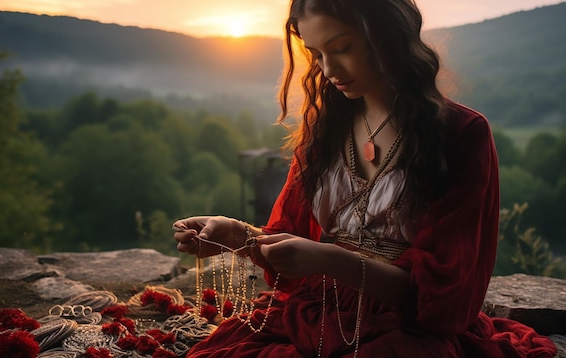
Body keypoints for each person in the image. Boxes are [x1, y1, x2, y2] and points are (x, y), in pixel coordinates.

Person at [172, 0, 558, 356]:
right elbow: (289, 242)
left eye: (342, 48)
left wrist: (330, 259)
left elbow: (445, 295)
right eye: (316, 53)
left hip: (406, 328)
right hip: (315, 312)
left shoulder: (461, 134)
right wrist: (235, 236)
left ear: (388, 35)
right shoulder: (324, 131)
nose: (329, 69)